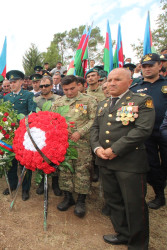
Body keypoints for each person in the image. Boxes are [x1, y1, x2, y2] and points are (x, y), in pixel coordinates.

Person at [90, 68, 154, 248]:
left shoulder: (142, 101)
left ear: (130, 81)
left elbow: (142, 130)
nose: (111, 83)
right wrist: (97, 148)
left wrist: (115, 149)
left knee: (134, 205)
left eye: (117, 79)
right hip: (104, 160)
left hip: (129, 163)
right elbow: (95, 128)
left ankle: (138, 244)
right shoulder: (103, 104)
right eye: (109, 80)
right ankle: (123, 233)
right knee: (113, 201)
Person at [51, 75, 97, 218]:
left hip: (82, 143)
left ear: (78, 85)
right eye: (66, 90)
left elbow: (94, 120)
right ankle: (68, 197)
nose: (69, 92)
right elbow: (53, 120)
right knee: (65, 170)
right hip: (64, 143)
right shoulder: (58, 103)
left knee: (82, 171)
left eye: (72, 88)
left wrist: (80, 132)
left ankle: (81, 201)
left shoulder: (89, 100)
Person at [130, 53, 167, 210]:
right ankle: (159, 195)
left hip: (164, 131)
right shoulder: (135, 89)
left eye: (151, 65)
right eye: (144, 66)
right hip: (146, 133)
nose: (147, 69)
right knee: (152, 164)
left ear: (160, 66)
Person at [3, 70, 37, 201]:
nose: (12, 84)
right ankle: (12, 185)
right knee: (10, 162)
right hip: (9, 135)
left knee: (25, 163)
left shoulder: (28, 95)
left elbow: (32, 113)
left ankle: (25, 189)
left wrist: (22, 125)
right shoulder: (6, 97)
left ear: (22, 82)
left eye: (15, 82)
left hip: (24, 135)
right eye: (10, 82)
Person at [33, 75, 61, 196]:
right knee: (41, 157)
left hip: (55, 134)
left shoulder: (59, 99)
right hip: (40, 134)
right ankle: (42, 183)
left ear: (52, 86)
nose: (43, 88)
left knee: (55, 158)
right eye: (41, 86)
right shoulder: (36, 99)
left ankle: (55, 183)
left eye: (46, 85)